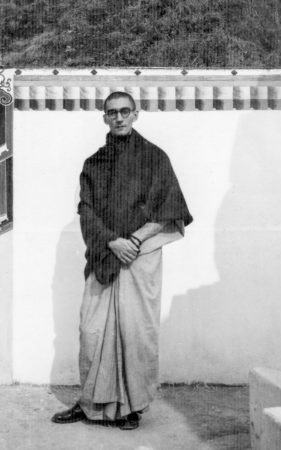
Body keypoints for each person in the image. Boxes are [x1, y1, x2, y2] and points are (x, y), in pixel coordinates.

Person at [51, 91, 193, 430]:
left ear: (136, 114)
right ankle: (89, 404)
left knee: (135, 332)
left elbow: (169, 208)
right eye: (112, 112)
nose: (119, 117)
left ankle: (132, 408)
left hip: (139, 257)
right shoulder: (94, 163)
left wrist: (134, 240)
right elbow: (86, 209)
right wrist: (112, 241)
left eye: (125, 111)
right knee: (92, 330)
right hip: (106, 254)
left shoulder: (155, 158)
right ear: (104, 117)